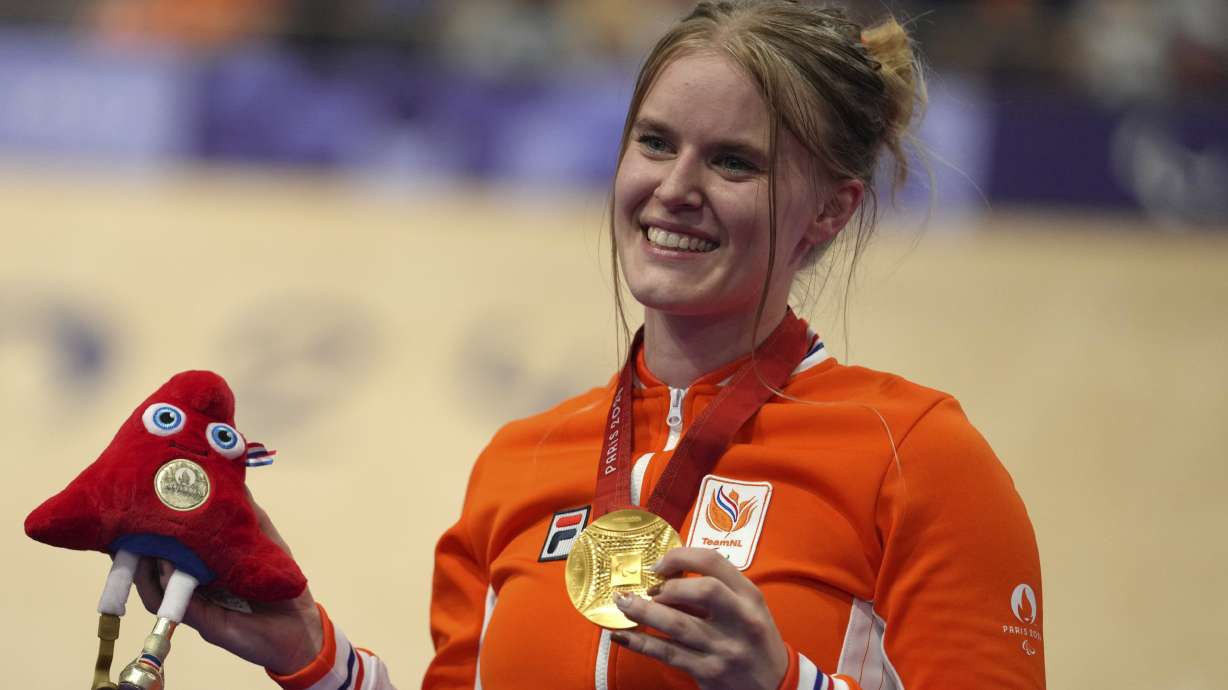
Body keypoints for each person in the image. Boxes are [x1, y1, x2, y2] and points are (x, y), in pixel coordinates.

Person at [135, 2, 1046, 689]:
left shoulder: (916, 454)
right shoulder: (519, 462)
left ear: (831, 209)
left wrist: (786, 683)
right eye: (654, 144)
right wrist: (309, 648)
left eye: (734, 162)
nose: (675, 188)